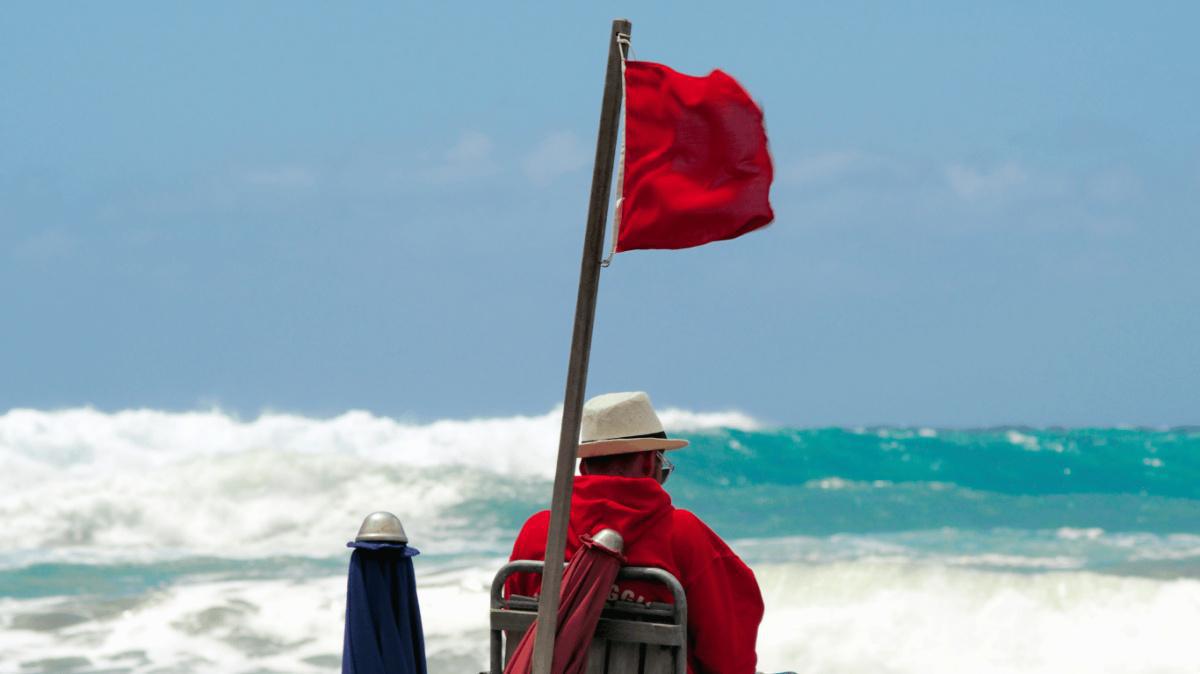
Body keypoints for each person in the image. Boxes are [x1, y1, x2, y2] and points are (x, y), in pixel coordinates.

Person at [505, 391, 764, 674]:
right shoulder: (682, 534)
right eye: (663, 467)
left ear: (584, 467)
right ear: (649, 462)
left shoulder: (540, 531)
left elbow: (516, 634)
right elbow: (730, 656)